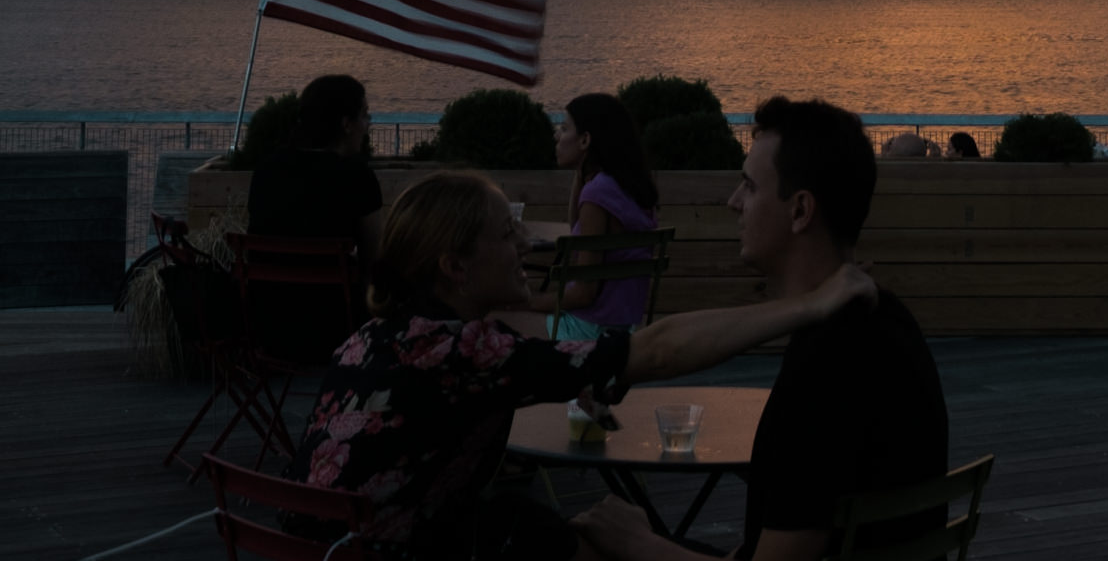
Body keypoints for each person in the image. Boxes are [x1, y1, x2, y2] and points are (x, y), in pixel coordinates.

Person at [287, 168, 875, 560]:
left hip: (314, 548)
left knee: (551, 528)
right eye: (506, 233)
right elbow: (656, 348)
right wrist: (811, 305)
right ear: (455, 268)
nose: (526, 244)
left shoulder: (371, 338)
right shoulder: (464, 350)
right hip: (389, 553)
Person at [577, 97, 948, 561]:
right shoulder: (886, 320)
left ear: (800, 212)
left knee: (589, 545)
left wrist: (638, 543)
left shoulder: (826, 369)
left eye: (749, 187)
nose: (734, 202)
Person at [247, 73, 383, 361]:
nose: (369, 123)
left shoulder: (268, 170)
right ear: (346, 125)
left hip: (267, 326)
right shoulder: (357, 177)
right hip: (339, 330)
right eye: (365, 114)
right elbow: (375, 260)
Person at [551, 93, 661, 338]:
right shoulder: (627, 187)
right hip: (622, 329)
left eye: (564, 128)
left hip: (588, 331)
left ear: (585, 140)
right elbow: (577, 230)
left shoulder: (598, 193)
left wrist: (526, 302)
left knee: (494, 320)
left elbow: (583, 293)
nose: (557, 136)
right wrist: (581, 171)